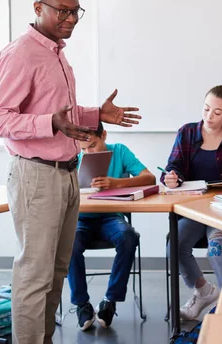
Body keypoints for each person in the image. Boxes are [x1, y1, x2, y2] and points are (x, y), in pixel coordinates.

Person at [0, 0, 140, 344]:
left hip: (67, 175)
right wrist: (48, 123)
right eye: (63, 11)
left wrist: (96, 114)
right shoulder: (20, 53)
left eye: (75, 12)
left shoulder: (56, 52)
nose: (71, 19)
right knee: (34, 276)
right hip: (36, 175)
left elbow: (62, 115)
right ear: (38, 9)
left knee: (56, 273)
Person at [163, 83, 222, 320]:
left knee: (217, 249)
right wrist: (171, 178)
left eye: (217, 112)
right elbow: (172, 167)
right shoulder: (187, 132)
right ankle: (204, 291)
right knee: (174, 245)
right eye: (206, 109)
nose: (209, 116)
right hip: (195, 208)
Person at [69, 122, 155, 330]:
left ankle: (110, 300)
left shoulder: (119, 151)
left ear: (104, 135)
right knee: (69, 243)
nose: (88, 153)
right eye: (83, 149)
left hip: (111, 218)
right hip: (81, 218)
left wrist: (115, 183)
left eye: (93, 145)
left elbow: (149, 178)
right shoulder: (72, 157)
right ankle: (82, 304)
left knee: (128, 236)